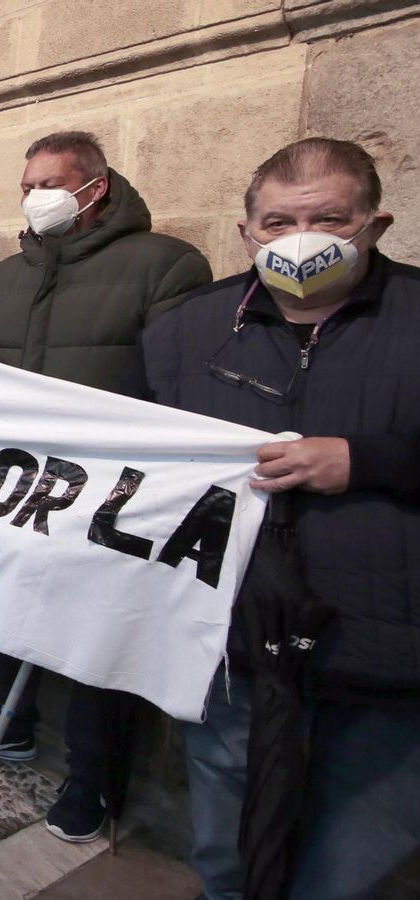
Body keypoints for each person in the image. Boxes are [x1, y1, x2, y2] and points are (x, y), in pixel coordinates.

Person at [129, 138, 420, 900]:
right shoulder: (185, 331)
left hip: (384, 655)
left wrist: (367, 462)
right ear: (247, 231)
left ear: (374, 225)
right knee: (226, 843)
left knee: (350, 858)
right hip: (230, 644)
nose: (300, 239)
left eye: (328, 218)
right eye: (279, 221)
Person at [0, 131, 213, 842]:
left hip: (104, 497)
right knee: (6, 605)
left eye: (50, 184)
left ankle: (92, 780)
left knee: (97, 643)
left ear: (94, 187)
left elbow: (176, 382)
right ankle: (14, 725)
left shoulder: (166, 265)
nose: (36, 198)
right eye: (27, 186)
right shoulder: (3, 276)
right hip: (12, 489)